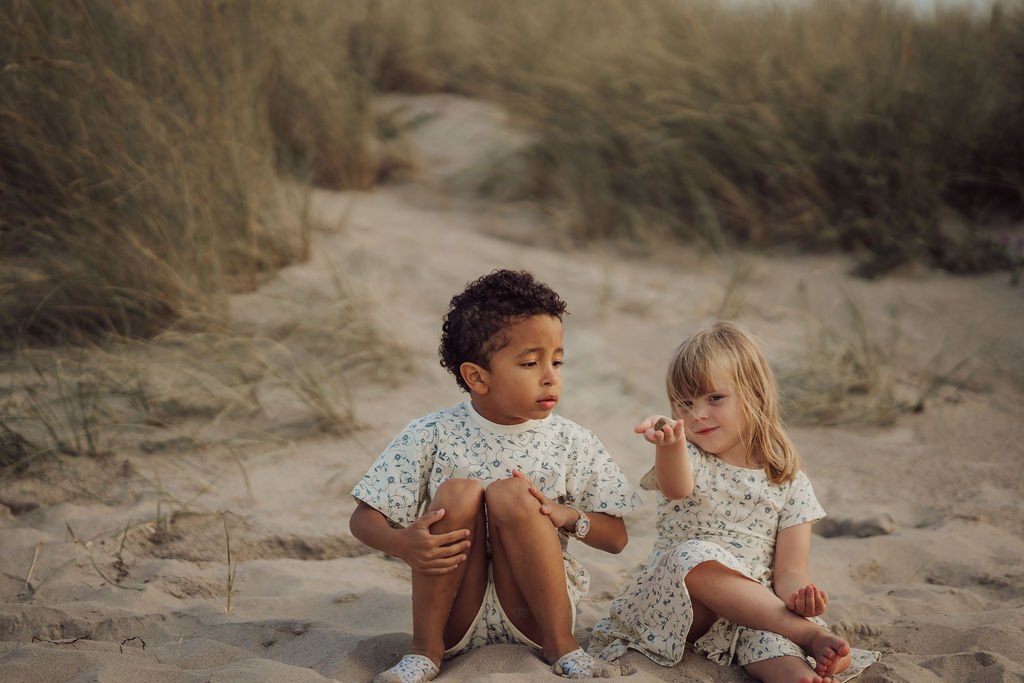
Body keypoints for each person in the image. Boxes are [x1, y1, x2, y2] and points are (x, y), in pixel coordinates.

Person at [350, 269, 641, 683]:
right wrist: (401, 544)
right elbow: (364, 517)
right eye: (530, 363)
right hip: (453, 615)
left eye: (557, 361)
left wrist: (567, 516)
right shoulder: (431, 433)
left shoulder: (571, 440)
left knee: (514, 495)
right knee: (458, 494)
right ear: (477, 377)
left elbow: (617, 539)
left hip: (534, 616)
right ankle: (424, 652)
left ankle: (565, 649)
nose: (550, 376)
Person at [588, 321, 880, 683]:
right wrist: (670, 444)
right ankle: (809, 637)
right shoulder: (688, 457)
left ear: (755, 395)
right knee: (693, 556)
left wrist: (800, 599)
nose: (697, 414)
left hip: (753, 614)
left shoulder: (790, 482)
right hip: (678, 607)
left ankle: (804, 672)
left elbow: (790, 570)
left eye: (714, 398)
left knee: (774, 643)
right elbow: (675, 487)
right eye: (685, 403)